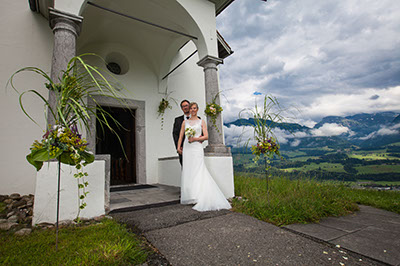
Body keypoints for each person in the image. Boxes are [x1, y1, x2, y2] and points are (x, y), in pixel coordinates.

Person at [177, 102, 231, 211]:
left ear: (197, 109)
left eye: (194, 108)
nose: (192, 110)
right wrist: (179, 147)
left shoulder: (201, 122)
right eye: (191, 108)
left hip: (196, 148)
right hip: (187, 148)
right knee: (189, 170)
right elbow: (181, 135)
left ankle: (199, 195)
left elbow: (206, 136)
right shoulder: (184, 122)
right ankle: (191, 195)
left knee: (198, 169)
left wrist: (195, 139)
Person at [173, 100, 190, 166]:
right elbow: (175, 134)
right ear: (181, 109)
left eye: (186, 105)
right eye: (183, 106)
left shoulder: (198, 119)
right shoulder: (177, 120)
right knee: (185, 167)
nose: (185, 107)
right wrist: (179, 147)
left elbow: (201, 132)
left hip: (194, 148)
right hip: (183, 149)